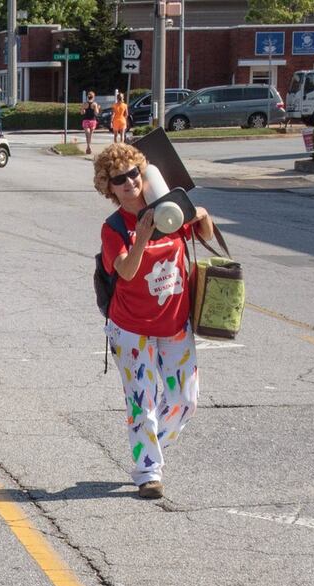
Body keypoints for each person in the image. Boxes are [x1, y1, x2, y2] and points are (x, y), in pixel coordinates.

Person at [94, 141, 214, 499]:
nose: (130, 182)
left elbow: (204, 237)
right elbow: (126, 272)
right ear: (109, 187)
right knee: (142, 402)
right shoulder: (114, 227)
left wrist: (202, 217)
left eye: (134, 174)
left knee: (184, 400)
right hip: (131, 329)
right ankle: (148, 471)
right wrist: (142, 236)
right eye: (120, 179)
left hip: (175, 323)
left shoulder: (169, 208)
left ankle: (146, 449)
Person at [81, 90, 101, 155]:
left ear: (87, 97)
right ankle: (89, 147)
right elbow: (96, 113)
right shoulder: (95, 104)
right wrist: (98, 108)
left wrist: (83, 110)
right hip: (92, 121)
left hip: (86, 121)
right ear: (93, 97)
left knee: (87, 135)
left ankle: (88, 147)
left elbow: (82, 113)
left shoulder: (84, 104)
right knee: (90, 135)